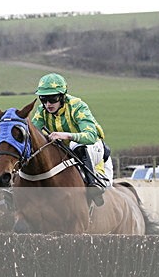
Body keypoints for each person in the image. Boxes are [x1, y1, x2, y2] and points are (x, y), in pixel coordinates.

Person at [30, 73, 112, 206]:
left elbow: (90, 136)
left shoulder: (77, 106)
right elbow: (33, 135)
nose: (48, 104)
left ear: (62, 96)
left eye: (53, 99)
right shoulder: (42, 111)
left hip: (92, 148)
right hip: (65, 152)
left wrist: (67, 135)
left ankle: (93, 184)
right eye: (43, 99)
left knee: (75, 144)